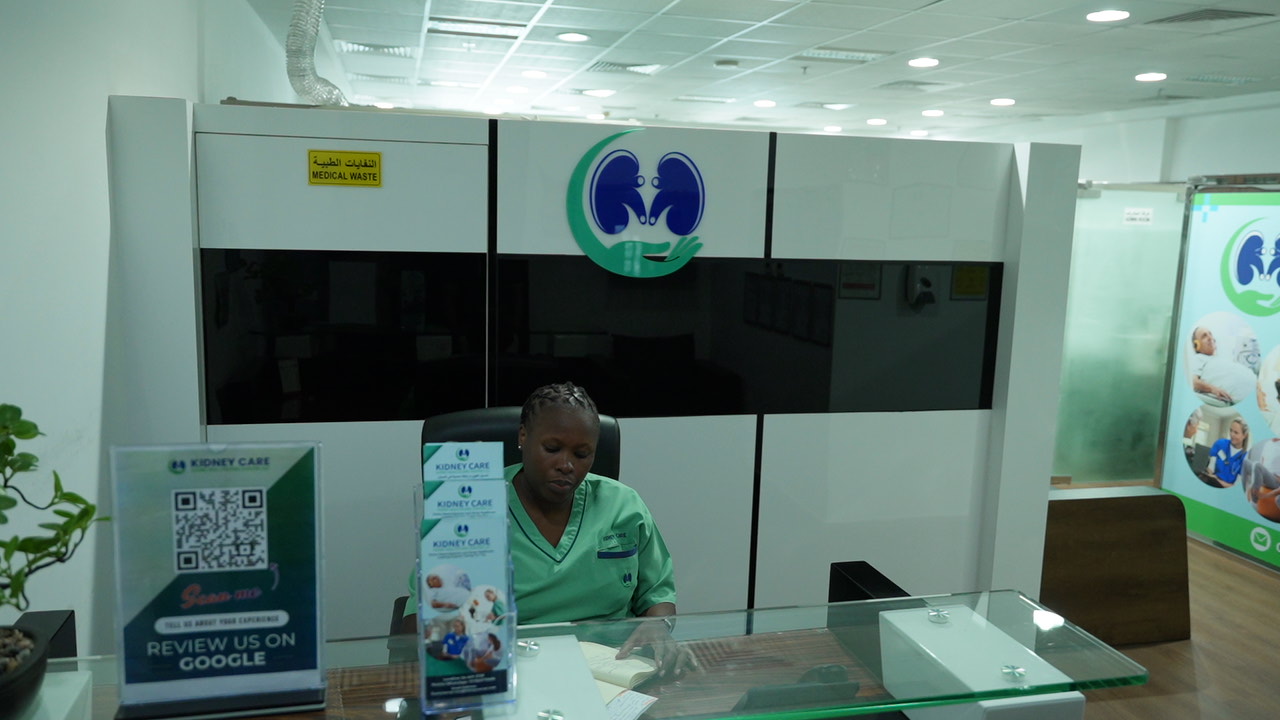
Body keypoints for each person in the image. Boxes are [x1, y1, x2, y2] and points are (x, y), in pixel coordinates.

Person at [404, 382, 694, 676]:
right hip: (507, 667)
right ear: (523, 436)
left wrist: (658, 626)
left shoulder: (623, 504)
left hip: (613, 668)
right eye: (552, 449)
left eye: (582, 454)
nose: (566, 465)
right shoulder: (472, 509)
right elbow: (420, 619)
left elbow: (657, 593)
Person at [1189, 327, 1253, 405]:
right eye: (1204, 336)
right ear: (1197, 345)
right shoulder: (1198, 358)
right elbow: (1193, 382)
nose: (1210, 337)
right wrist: (1213, 389)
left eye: (1210, 334)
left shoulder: (1222, 358)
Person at [1207, 418, 1249, 487]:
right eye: (1231, 430)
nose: (1232, 434)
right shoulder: (1220, 444)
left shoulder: (1246, 458)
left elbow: (1236, 486)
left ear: (1245, 435)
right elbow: (1210, 469)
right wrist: (1211, 477)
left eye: (1236, 432)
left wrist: (1217, 481)